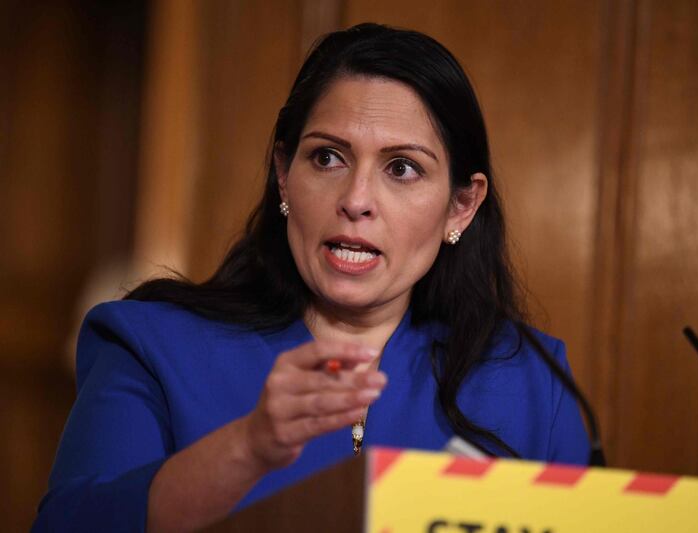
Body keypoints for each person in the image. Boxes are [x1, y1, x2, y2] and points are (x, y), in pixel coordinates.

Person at [33, 23, 589, 532]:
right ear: (283, 175)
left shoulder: (534, 382)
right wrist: (248, 449)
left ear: (460, 208)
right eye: (327, 158)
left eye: (402, 168)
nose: (355, 200)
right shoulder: (148, 343)